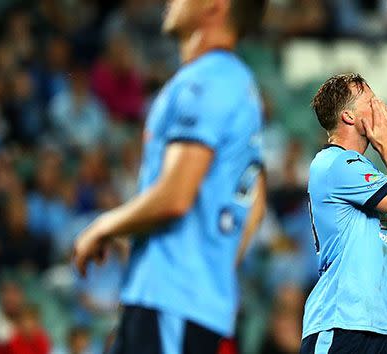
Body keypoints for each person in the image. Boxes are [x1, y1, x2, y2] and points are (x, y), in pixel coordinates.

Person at [72, 0, 268, 353]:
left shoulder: (204, 83)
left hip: (171, 301)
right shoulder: (237, 83)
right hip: (180, 301)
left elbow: (176, 197)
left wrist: (104, 226)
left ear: (215, 7)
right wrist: (211, 270)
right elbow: (256, 202)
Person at [300, 74, 387, 353]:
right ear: (348, 116)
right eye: (371, 102)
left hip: (375, 325)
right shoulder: (338, 164)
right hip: (341, 323)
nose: (380, 108)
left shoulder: (356, 167)